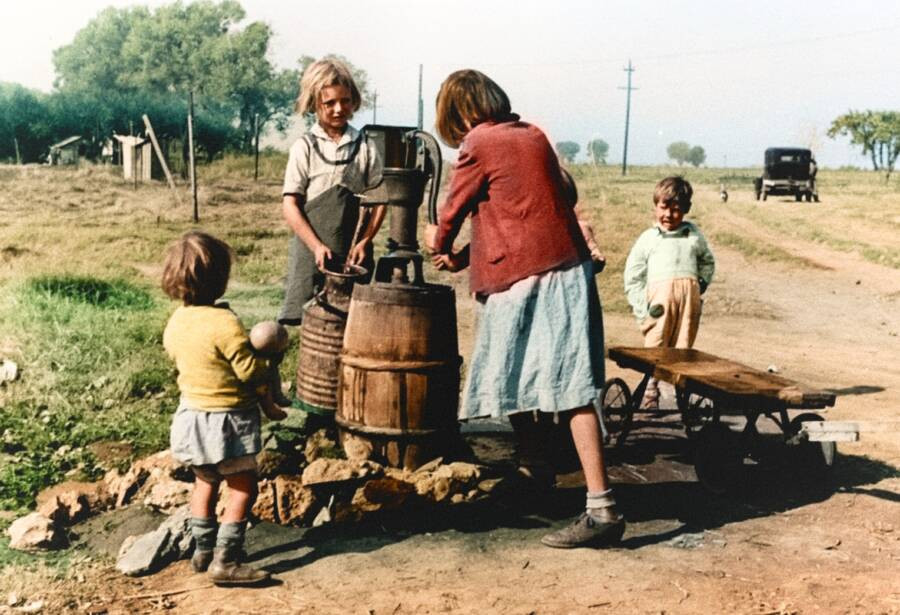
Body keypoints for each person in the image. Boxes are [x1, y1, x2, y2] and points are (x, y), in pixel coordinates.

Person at [424, 69, 625, 549]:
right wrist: (467, 254)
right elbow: (518, 211)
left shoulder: (480, 141)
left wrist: (441, 244)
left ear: (460, 112)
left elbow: (453, 209)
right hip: (566, 269)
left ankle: (600, 508)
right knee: (559, 381)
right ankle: (542, 475)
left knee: (521, 375)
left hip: (527, 279)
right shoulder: (532, 135)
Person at [162, 231, 278, 585]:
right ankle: (226, 562)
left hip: (192, 416)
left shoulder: (177, 321)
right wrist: (268, 362)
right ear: (221, 280)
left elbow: (174, 354)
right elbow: (247, 371)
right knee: (243, 487)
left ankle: (203, 550)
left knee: (204, 483)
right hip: (228, 421)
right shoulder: (226, 323)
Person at [279, 57, 385, 325]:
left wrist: (366, 240)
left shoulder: (365, 146)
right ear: (315, 103)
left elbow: (380, 199)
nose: (339, 109)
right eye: (330, 103)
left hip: (352, 253)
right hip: (312, 252)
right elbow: (290, 205)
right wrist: (316, 246)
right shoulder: (304, 148)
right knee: (311, 320)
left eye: (345, 101)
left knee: (352, 321)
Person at [623, 176, 716, 409]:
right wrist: (641, 306)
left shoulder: (693, 235)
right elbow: (633, 275)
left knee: (683, 347)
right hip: (659, 302)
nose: (669, 215)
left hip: (688, 301)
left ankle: (680, 393)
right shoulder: (648, 239)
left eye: (676, 210)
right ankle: (650, 392)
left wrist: (700, 285)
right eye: (664, 208)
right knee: (655, 346)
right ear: (655, 206)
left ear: (686, 210)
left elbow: (707, 261)